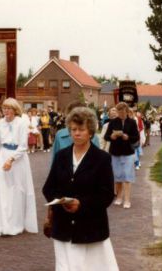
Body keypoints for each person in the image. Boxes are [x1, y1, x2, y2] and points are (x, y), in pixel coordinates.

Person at [43, 107, 118, 271]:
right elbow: (48, 187)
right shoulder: (61, 156)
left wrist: (82, 204)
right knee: (64, 266)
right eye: (73, 129)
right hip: (62, 225)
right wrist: (59, 201)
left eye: (81, 129)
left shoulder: (102, 159)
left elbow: (106, 195)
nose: (76, 133)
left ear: (90, 132)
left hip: (90, 227)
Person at [0, 98, 38, 237]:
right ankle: (0, 226)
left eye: (9, 108)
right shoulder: (0, 123)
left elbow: (23, 146)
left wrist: (11, 159)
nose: (6, 111)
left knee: (17, 191)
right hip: (3, 155)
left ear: (15, 110)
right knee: (2, 190)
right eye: (4, 108)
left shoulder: (22, 123)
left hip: (18, 159)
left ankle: (15, 225)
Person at [105, 102, 139, 209]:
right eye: (119, 112)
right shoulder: (113, 122)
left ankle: (127, 199)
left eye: (122, 112)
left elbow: (136, 137)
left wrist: (127, 137)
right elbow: (106, 136)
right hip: (115, 152)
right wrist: (112, 136)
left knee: (127, 176)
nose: (120, 114)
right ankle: (119, 197)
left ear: (126, 111)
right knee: (118, 176)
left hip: (128, 152)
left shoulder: (132, 122)